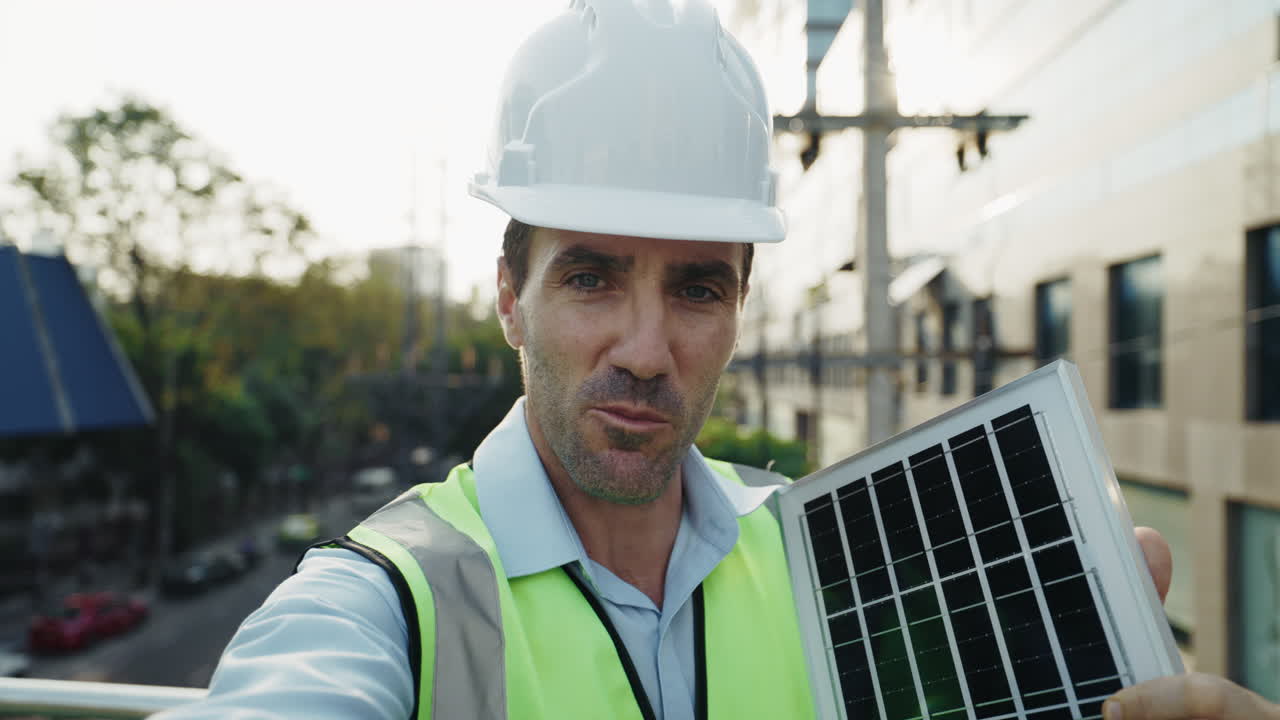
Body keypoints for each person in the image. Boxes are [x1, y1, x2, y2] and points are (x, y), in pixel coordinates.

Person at [157, 2, 1279, 719]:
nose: (647, 352)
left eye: (695, 287)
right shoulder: (379, 601)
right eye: (591, 277)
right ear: (508, 295)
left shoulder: (831, 552)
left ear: (739, 305)